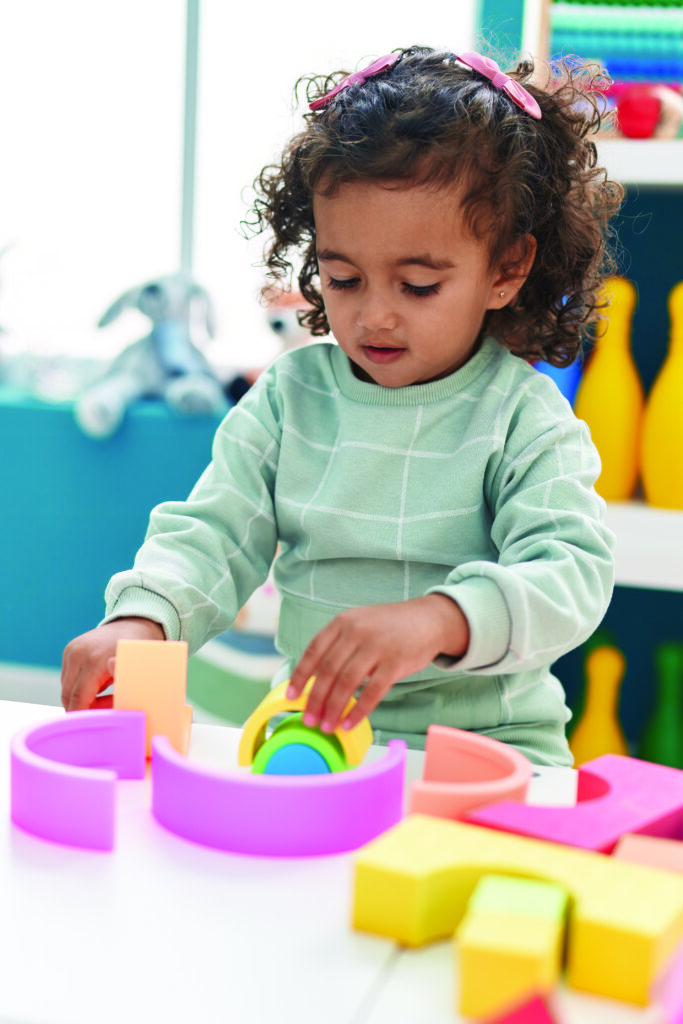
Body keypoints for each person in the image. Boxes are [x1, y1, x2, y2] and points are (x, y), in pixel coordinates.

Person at [61, 46, 623, 765]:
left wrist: (441, 617)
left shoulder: (523, 419)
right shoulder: (290, 398)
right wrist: (145, 618)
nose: (374, 317)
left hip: (486, 752)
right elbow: (213, 534)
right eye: (343, 278)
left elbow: (569, 574)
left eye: (418, 285)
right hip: (315, 737)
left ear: (506, 269)